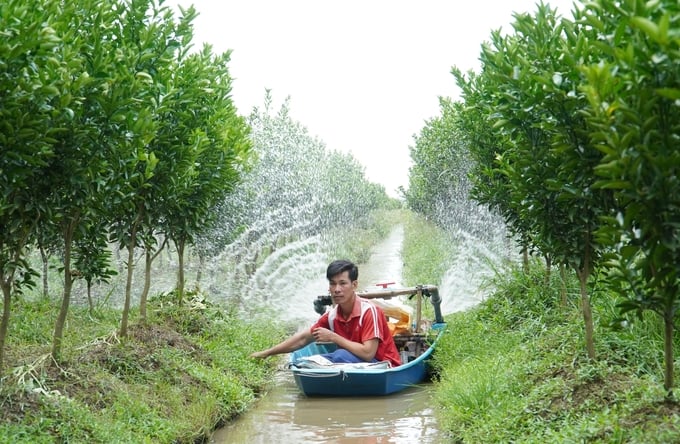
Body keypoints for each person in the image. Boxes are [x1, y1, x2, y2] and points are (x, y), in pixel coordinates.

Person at [250, 259, 401, 367]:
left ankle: (321, 366)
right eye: (332, 283)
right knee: (313, 360)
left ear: (354, 285)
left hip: (382, 365)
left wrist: (333, 337)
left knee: (340, 355)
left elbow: (368, 353)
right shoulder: (332, 316)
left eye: (342, 283)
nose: (336, 289)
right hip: (352, 365)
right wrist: (267, 353)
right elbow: (302, 339)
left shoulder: (369, 312)